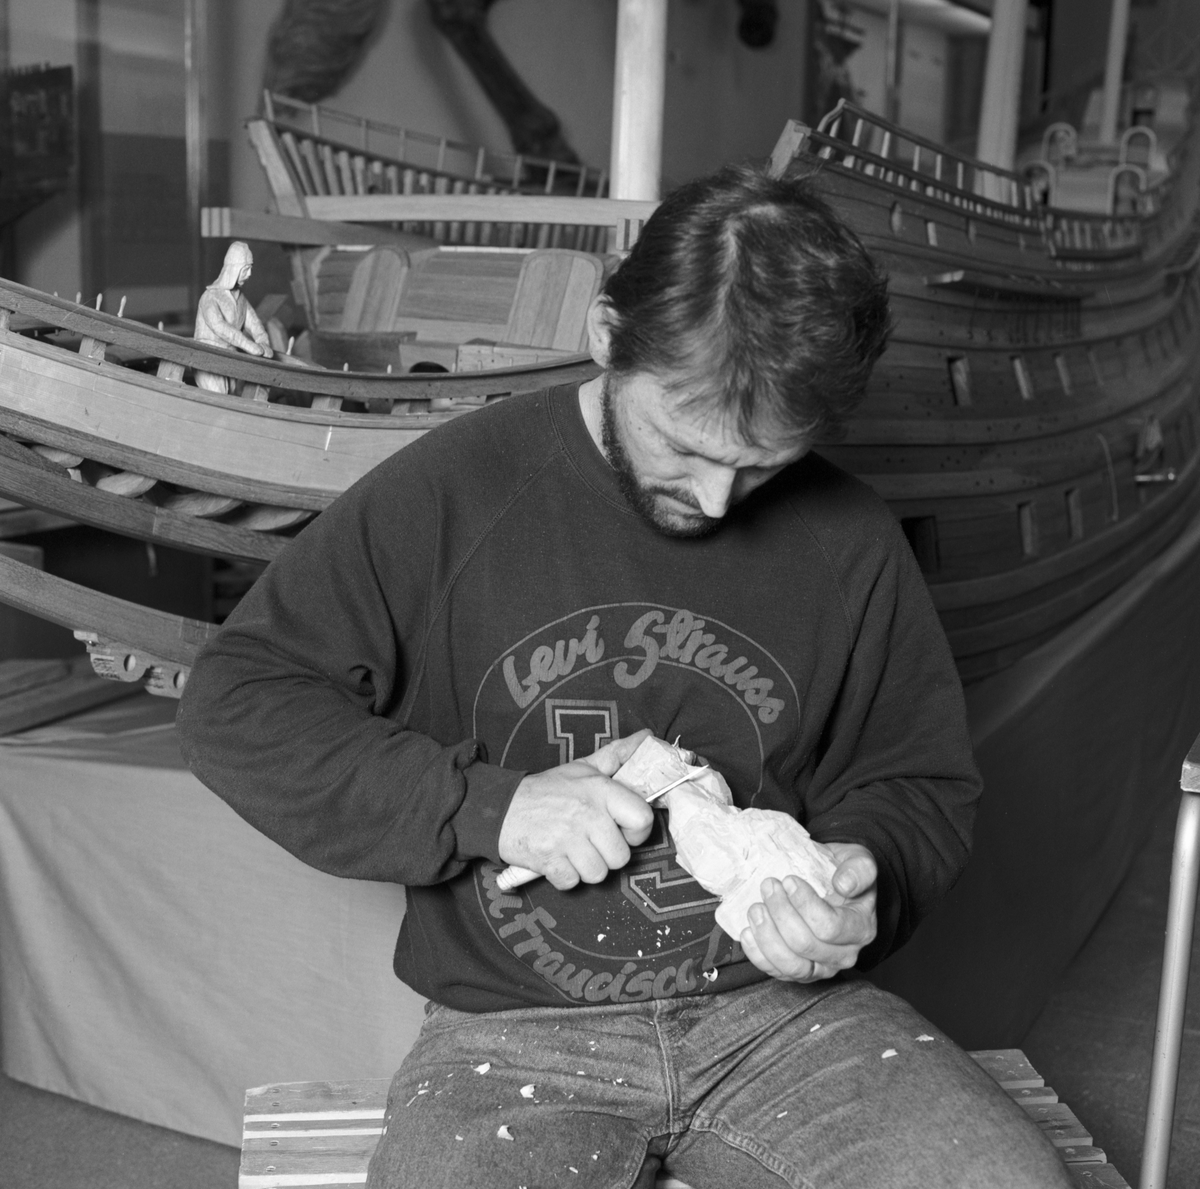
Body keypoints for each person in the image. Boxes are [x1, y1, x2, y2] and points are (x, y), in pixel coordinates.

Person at [177, 166, 1072, 1189]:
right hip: (510, 1032)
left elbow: (917, 782)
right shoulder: (454, 490)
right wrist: (492, 809)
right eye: (684, 445)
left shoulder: (852, 538)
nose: (719, 500)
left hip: (783, 1017)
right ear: (608, 333)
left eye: (766, 465)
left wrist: (867, 879)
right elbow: (235, 703)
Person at [193, 240, 273, 393]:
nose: (249, 274)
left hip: (231, 360)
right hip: (208, 358)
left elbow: (255, 325)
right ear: (234, 269)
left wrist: (263, 342)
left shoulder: (241, 299)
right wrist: (248, 345)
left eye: (250, 269)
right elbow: (219, 326)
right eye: (246, 269)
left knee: (232, 394)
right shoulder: (210, 296)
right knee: (218, 396)